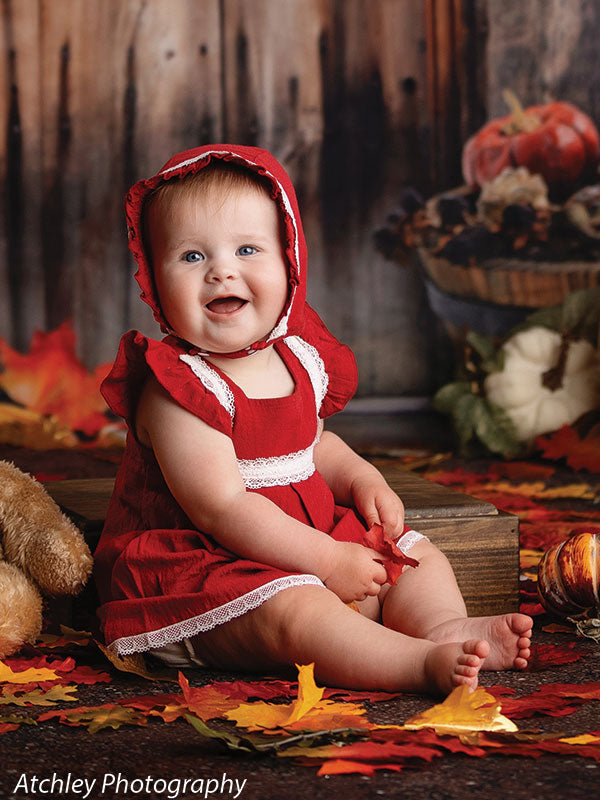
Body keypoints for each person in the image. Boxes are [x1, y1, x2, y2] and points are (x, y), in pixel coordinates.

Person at [94, 144, 532, 696]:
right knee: (297, 613)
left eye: (248, 249)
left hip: (310, 541)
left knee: (418, 556)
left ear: (290, 262)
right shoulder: (179, 387)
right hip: (208, 573)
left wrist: (362, 478)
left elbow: (313, 444)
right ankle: (415, 665)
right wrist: (325, 558)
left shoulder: (296, 357)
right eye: (190, 257)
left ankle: (439, 629)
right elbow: (221, 506)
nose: (221, 271)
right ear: (154, 281)